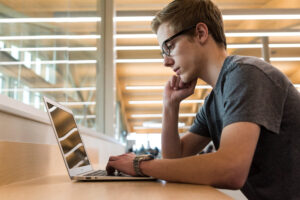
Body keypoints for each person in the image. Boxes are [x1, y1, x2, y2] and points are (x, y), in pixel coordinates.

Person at [106, 0, 300, 199]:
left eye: (169, 46)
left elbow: (231, 169)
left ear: (200, 33)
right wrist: (170, 107)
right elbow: (175, 160)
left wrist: (140, 165)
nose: (165, 61)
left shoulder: (246, 74)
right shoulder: (213, 102)